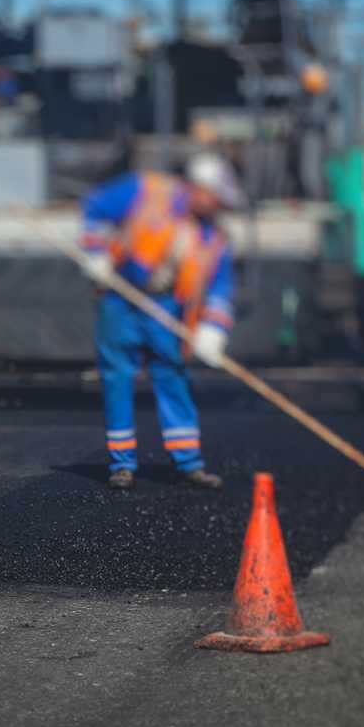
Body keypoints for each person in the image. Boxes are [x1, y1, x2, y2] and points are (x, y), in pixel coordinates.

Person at [80, 155, 243, 491]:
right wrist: (95, 252)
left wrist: (213, 330)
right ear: (200, 188)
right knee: (117, 377)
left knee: (171, 373)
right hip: (120, 298)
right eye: (215, 197)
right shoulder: (146, 190)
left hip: (165, 306)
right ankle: (122, 464)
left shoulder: (213, 238)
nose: (218, 206)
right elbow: (94, 208)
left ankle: (188, 462)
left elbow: (219, 287)